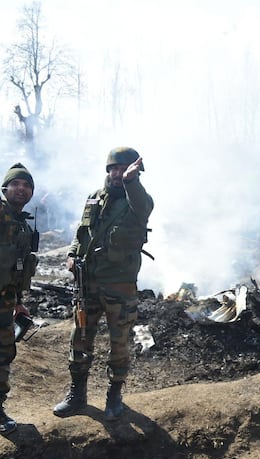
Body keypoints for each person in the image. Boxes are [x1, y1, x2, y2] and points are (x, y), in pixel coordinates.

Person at [53, 147, 154, 422]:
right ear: (108, 170)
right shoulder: (94, 198)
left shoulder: (139, 201)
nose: (119, 174)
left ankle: (114, 395)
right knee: (81, 336)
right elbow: (81, 232)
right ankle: (77, 394)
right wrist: (72, 254)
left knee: (119, 342)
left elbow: (143, 206)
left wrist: (134, 181)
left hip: (119, 286)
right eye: (115, 169)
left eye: (125, 170)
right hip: (88, 284)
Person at [0, 164, 38, 434]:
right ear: (5, 188)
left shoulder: (23, 226)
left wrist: (18, 301)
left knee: (3, 354)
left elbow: (17, 269)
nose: (21, 189)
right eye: (16, 184)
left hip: (5, 303)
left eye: (26, 185)